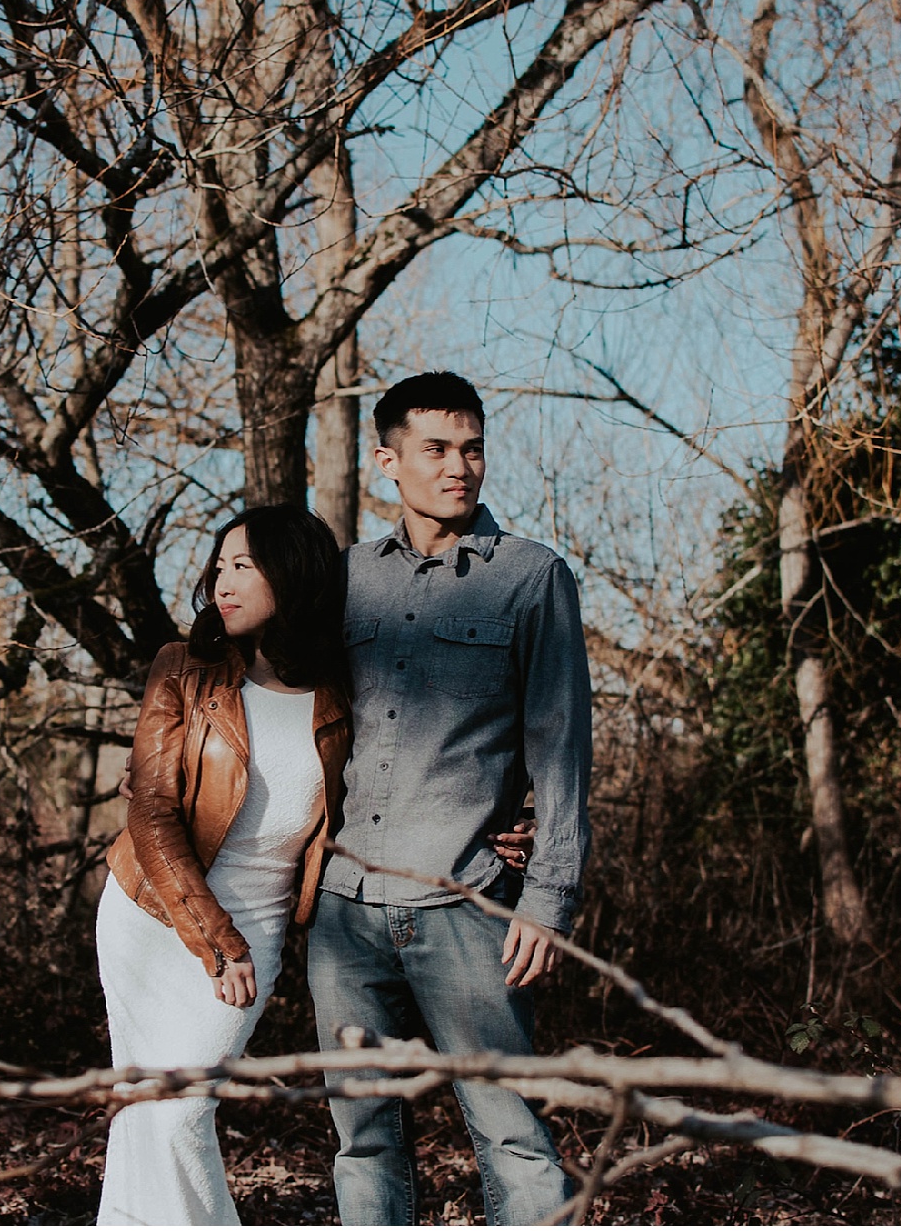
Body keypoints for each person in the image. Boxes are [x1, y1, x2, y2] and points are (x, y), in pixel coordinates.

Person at [309, 370, 592, 1225]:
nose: (460, 466)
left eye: (472, 447)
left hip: (467, 900)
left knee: (510, 1132)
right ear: (388, 459)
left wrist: (549, 896)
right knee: (363, 1138)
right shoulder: (347, 577)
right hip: (345, 911)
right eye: (437, 449)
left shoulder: (531, 577)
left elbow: (563, 746)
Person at [97, 504, 351, 1225]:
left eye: (244, 564)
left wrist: (506, 821)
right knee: (141, 1105)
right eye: (219, 564)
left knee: (177, 1112)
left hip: (259, 925)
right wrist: (217, 940)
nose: (222, 579)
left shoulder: (341, 691)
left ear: (292, 574)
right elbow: (150, 813)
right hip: (151, 913)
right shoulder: (185, 667)